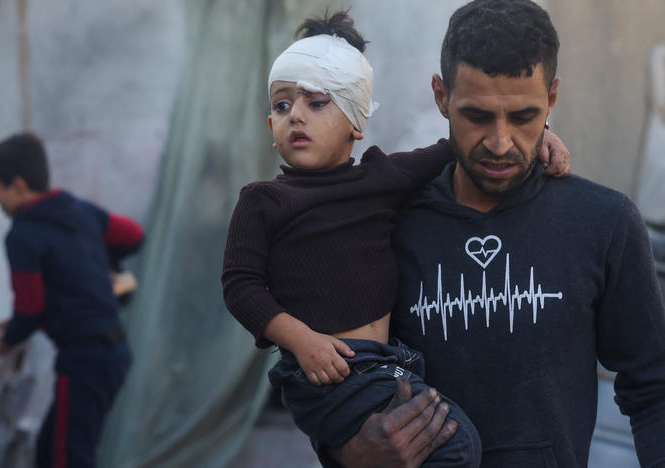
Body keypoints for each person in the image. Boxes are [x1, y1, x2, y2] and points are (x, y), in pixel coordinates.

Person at [221, 10, 570, 467]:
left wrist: (539, 131)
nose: (296, 117)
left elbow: (462, 145)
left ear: (356, 121)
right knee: (458, 446)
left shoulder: (381, 178)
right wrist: (303, 340)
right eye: (282, 106)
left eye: (317, 103)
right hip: (328, 372)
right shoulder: (263, 200)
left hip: (388, 362)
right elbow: (240, 285)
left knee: (447, 439)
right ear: (271, 129)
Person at [331, 1, 665, 467]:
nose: (501, 142)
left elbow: (653, 389)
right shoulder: (387, 223)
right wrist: (346, 452)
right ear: (440, 95)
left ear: (552, 98)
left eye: (524, 117)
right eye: (479, 116)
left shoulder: (603, 223)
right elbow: (333, 373)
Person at [0, 132, 144, 468]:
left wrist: (5, 340)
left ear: (20, 186)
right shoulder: (80, 211)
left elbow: (30, 308)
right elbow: (133, 236)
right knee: (51, 450)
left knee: (67, 459)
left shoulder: (23, 235)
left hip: (84, 360)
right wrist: (104, 263)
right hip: (114, 354)